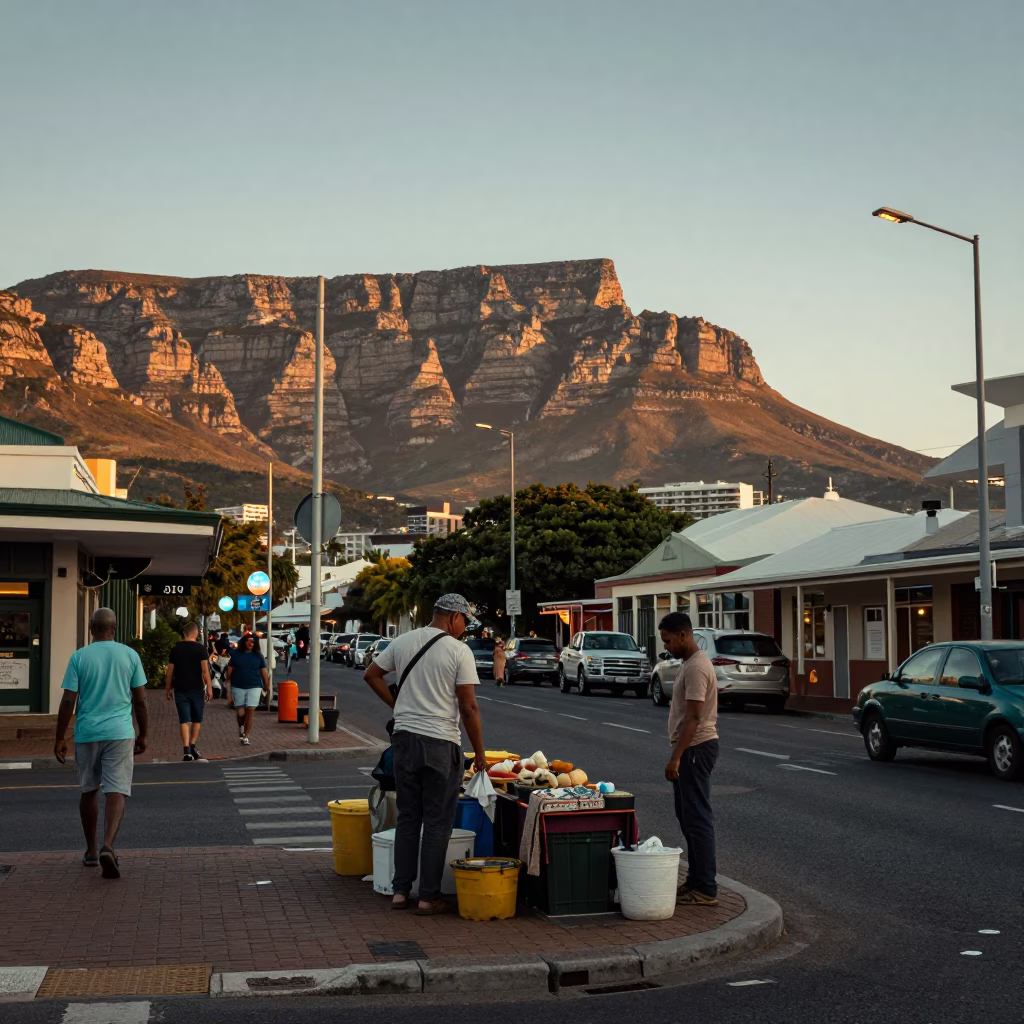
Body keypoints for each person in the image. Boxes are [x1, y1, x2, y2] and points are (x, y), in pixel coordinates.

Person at [363, 593, 486, 915]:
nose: (464, 630)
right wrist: (480, 753)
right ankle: (429, 896)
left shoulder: (403, 642)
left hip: (404, 740)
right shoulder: (458, 651)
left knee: (407, 816)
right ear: (454, 617)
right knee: (436, 822)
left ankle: (401, 891)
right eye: (464, 623)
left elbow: (371, 674)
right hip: (440, 743)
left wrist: (397, 706)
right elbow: (469, 706)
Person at [53, 607, 149, 880]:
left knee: (89, 790)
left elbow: (69, 700)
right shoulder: (129, 655)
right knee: (117, 789)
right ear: (114, 628)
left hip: (87, 733)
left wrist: (60, 736)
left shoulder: (80, 657)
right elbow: (140, 700)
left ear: (91, 628)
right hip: (120, 731)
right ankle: (109, 844)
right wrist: (143, 733)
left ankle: (92, 851)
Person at [660, 611, 719, 906]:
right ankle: (695, 880)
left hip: (696, 748)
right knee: (687, 818)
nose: (666, 646)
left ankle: (706, 888)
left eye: (669, 641)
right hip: (691, 748)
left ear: (684, 635)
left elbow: (694, 718)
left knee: (697, 820)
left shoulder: (696, 667)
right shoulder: (688, 663)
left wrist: (676, 758)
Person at [165, 621, 213, 761]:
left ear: (184, 633)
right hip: (196, 688)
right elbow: (205, 671)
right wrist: (209, 687)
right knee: (197, 718)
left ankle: (186, 750)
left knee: (184, 719)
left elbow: (170, 671)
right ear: (196, 633)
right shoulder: (201, 649)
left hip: (180, 688)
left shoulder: (175, 649)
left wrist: (168, 688)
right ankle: (192, 745)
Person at [226, 633, 269, 745]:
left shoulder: (258, 656)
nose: (251, 643)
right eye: (248, 641)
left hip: (254, 686)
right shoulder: (236, 654)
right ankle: (241, 726)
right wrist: (228, 682)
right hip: (238, 686)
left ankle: (246, 736)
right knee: (241, 713)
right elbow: (230, 670)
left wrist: (267, 687)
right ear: (244, 642)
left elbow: (263, 672)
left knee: (250, 711)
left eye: (253, 642)